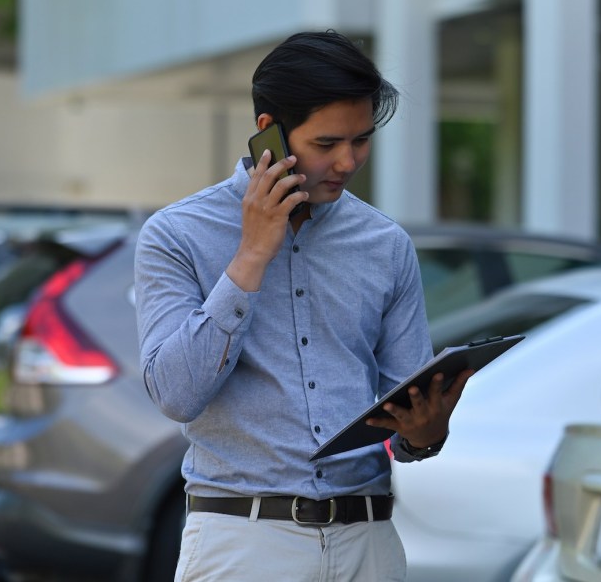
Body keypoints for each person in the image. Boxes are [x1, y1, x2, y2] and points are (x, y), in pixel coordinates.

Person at [134, 30, 473, 581]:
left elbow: (406, 415)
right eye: (326, 144)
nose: (348, 160)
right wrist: (250, 256)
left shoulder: (385, 245)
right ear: (267, 131)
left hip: (369, 541)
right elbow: (175, 393)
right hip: (241, 543)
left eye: (361, 140)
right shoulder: (176, 236)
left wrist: (425, 434)